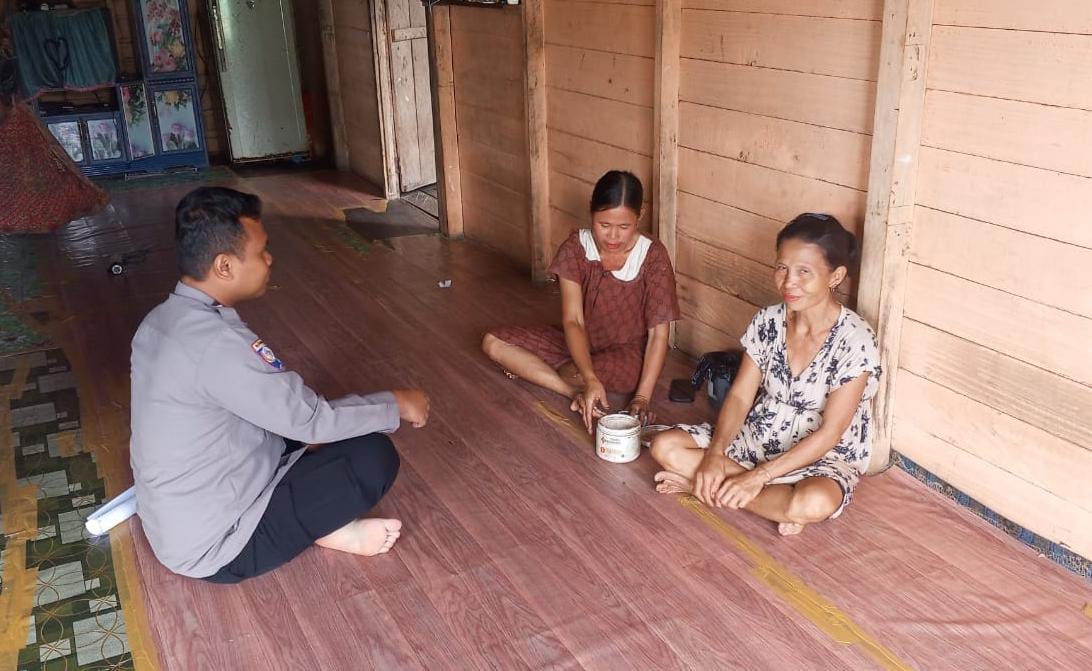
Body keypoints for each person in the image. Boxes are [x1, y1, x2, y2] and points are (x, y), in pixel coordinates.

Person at [129, 186, 430, 583]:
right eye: (260, 252)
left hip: (182, 516)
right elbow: (310, 421)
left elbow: (286, 412)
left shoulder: (162, 320)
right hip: (219, 548)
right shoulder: (216, 345)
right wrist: (395, 403)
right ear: (224, 266)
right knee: (372, 457)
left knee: (316, 426)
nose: (269, 260)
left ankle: (317, 515)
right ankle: (329, 529)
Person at [650, 213, 881, 536]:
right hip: (759, 436)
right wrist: (715, 455)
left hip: (821, 455)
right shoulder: (768, 321)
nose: (788, 282)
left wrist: (754, 477)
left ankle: (706, 488)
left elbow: (831, 433)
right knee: (664, 447)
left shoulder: (855, 340)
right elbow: (742, 396)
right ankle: (761, 499)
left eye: (804, 272)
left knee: (811, 503)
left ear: (835, 276)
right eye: (782, 267)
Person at [482, 170, 680, 432]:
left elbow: (658, 335)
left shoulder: (652, 255)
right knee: (493, 343)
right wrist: (590, 379)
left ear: (639, 216)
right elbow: (573, 321)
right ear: (591, 212)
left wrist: (641, 398)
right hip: (577, 340)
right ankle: (571, 392)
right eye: (604, 225)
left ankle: (554, 375)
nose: (612, 237)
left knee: (570, 371)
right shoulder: (575, 248)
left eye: (624, 227)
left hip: (626, 353)